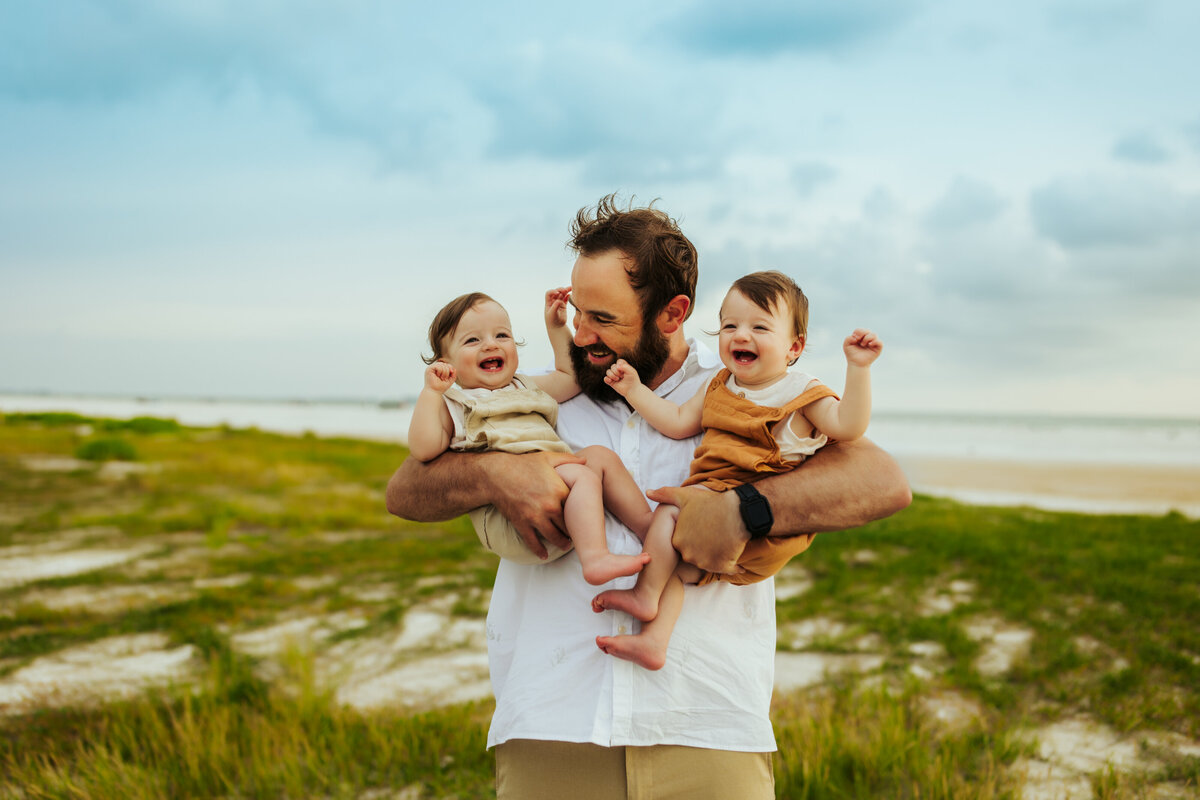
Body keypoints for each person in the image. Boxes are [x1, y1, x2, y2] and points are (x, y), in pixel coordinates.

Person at [386, 194, 912, 800]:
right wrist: (493, 476)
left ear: (673, 312)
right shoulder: (535, 394)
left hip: (708, 722)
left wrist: (744, 511)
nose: (581, 334)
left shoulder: (744, 388)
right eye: (578, 313)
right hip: (554, 720)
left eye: (603, 319)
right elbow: (406, 490)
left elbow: (882, 482)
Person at [591, 270, 882, 669]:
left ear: (794, 347)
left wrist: (859, 370)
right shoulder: (719, 384)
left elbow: (849, 426)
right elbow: (676, 420)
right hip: (711, 514)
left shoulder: (800, 393)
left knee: (669, 514)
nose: (740, 335)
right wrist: (634, 390)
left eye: (759, 327)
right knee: (674, 563)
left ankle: (645, 594)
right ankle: (653, 643)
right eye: (730, 325)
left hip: (756, 523)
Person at [407, 289, 654, 584]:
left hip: (558, 492)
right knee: (584, 476)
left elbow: (570, 377)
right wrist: (431, 394)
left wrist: (557, 327)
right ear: (445, 362)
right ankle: (596, 558)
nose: (490, 345)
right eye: (473, 340)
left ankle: (651, 531)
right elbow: (424, 449)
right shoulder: (458, 404)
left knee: (600, 456)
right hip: (510, 519)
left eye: (502, 335)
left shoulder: (523, 385)